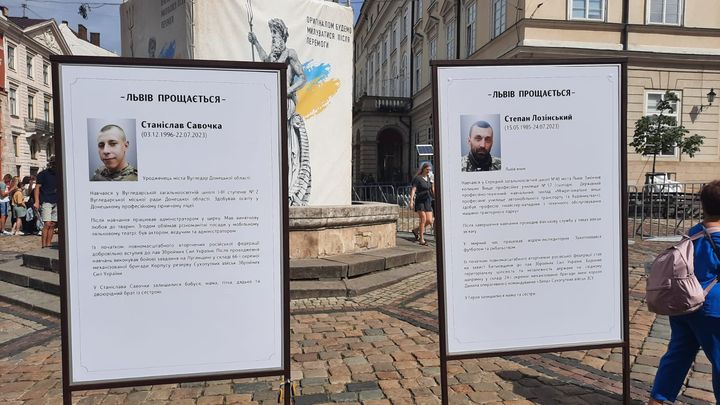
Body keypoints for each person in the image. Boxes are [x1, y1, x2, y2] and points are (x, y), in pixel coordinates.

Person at [648, 179, 720, 404]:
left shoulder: (694, 232)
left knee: (678, 355)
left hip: (684, 305)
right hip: (712, 310)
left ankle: (658, 399)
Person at [35, 156, 58, 248]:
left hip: (57, 201)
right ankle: (44, 245)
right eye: (54, 164)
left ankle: (48, 244)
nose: (55, 166)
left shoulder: (60, 173)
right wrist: (37, 201)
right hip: (46, 200)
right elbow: (37, 188)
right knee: (47, 223)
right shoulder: (43, 174)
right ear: (51, 164)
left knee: (53, 224)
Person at [409, 162, 434, 246]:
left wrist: (433, 182)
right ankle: (421, 239)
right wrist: (411, 201)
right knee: (423, 219)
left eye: (429, 170)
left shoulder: (429, 178)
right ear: (423, 169)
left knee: (429, 220)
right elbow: (413, 190)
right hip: (420, 200)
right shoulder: (418, 178)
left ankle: (416, 230)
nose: (428, 171)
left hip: (427, 200)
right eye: (427, 169)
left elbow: (432, 189)